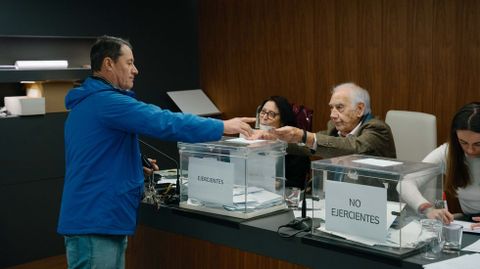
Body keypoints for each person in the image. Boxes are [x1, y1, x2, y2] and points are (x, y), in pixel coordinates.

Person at [57, 35, 255, 269]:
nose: (136, 70)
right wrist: (222, 126)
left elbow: (94, 154)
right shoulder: (107, 103)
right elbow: (163, 121)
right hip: (96, 221)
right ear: (108, 64)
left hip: (98, 219)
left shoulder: (88, 103)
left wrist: (133, 162)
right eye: (129, 63)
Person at [254, 83, 396, 159]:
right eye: (331, 108)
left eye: (339, 107)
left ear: (359, 109)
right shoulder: (334, 129)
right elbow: (307, 146)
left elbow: (353, 148)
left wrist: (303, 135)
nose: (333, 115)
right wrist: (274, 139)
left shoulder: (377, 129)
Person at [399, 102, 480, 229]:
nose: (470, 150)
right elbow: (405, 182)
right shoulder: (449, 152)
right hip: (470, 224)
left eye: (478, 144)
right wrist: (427, 209)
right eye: (463, 142)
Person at [257, 96, 311, 189]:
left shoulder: (296, 150)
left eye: (271, 114)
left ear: (283, 121)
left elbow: (296, 186)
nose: (265, 117)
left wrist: (276, 184)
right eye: (263, 112)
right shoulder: (251, 141)